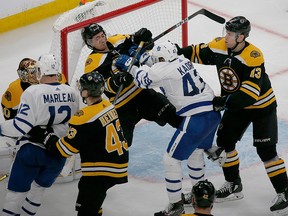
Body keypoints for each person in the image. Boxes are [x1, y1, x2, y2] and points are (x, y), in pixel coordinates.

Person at [176, 16, 288, 215]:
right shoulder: (220, 46)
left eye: (229, 34)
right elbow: (197, 52)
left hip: (262, 107)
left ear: (241, 37)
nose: (225, 37)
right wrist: (176, 51)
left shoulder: (253, 56)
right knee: (225, 143)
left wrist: (224, 102)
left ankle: (284, 192)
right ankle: (233, 184)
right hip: (237, 107)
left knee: (266, 151)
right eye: (226, 32)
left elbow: (249, 94)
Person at [115, 41, 221, 216]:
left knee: (170, 160)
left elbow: (144, 79)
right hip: (211, 115)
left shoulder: (164, 69)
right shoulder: (181, 61)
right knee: (195, 153)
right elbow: (159, 67)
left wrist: (130, 65)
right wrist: (142, 56)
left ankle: (176, 204)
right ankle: (199, 193)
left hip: (195, 118)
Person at [28, 70, 129, 216]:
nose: (79, 89)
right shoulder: (108, 105)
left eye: (81, 87)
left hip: (102, 170)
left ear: (86, 92)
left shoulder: (83, 117)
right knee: (91, 197)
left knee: (86, 209)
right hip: (117, 162)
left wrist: (46, 136)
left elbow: (64, 150)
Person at [0, 53, 79, 216]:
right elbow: (77, 123)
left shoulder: (32, 92)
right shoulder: (72, 92)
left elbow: (19, 127)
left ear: (40, 70)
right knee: (39, 191)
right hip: (59, 153)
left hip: (32, 151)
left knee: (16, 195)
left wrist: (1, 129)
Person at [80, 23, 183, 147]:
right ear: (89, 43)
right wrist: (116, 81)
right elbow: (100, 87)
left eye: (102, 35)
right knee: (120, 145)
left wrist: (143, 37)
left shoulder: (117, 40)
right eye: (97, 38)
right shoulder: (92, 63)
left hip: (143, 94)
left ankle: (202, 143)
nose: (102, 39)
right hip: (122, 107)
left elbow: (137, 42)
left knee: (175, 116)